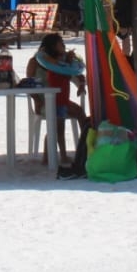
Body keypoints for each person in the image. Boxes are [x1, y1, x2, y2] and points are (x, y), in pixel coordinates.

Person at [25, 33, 89, 173]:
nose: (64, 47)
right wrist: (36, 99)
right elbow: (28, 83)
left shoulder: (62, 62)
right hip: (43, 100)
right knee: (56, 125)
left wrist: (80, 84)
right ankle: (52, 156)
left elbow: (72, 73)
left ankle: (86, 147)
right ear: (52, 46)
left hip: (61, 99)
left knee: (79, 112)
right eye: (61, 44)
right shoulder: (36, 61)